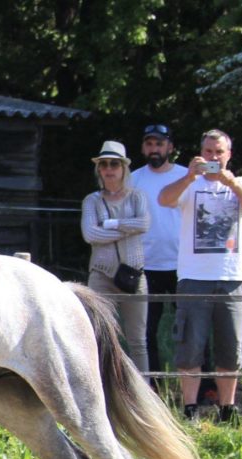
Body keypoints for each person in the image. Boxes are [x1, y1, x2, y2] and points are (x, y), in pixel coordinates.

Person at [159, 129, 242, 422]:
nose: (213, 158)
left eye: (218, 152)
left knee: (230, 349)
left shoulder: (240, 182)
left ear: (229, 155)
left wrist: (230, 182)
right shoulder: (188, 184)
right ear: (200, 153)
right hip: (192, 277)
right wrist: (189, 177)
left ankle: (228, 410)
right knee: (190, 345)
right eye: (208, 152)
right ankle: (190, 409)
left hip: (230, 277)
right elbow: (164, 199)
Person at [80, 140, 151, 373]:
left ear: (123, 168)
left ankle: (145, 391)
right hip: (101, 274)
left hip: (133, 274)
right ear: (98, 169)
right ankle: (101, 390)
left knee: (137, 340)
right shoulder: (92, 200)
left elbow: (144, 223)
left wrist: (111, 224)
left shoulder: (137, 196)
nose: (109, 169)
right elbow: (90, 234)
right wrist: (126, 230)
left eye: (114, 164)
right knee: (99, 337)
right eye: (104, 164)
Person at [130, 124, 187, 390]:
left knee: (190, 328)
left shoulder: (187, 176)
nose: (155, 149)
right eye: (150, 144)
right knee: (146, 331)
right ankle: (151, 388)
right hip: (145, 265)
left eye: (160, 144)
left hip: (183, 266)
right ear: (143, 148)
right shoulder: (133, 179)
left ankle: (205, 385)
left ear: (170, 147)